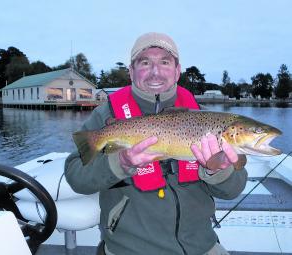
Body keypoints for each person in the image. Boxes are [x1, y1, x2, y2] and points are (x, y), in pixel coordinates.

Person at [64, 32, 248, 255]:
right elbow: (76, 177)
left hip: (202, 247)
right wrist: (119, 163)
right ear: (131, 71)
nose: (155, 72)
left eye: (164, 62)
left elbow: (233, 190)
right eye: (145, 62)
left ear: (177, 71)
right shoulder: (106, 116)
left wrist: (218, 171)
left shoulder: (205, 120)